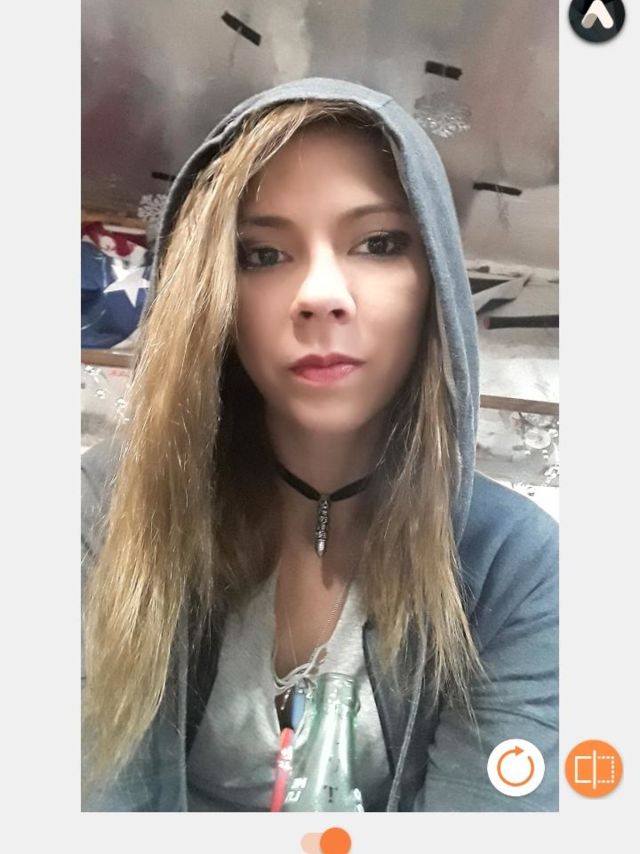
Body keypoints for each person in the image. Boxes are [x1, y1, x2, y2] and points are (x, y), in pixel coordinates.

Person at [81, 77, 559, 812]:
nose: (321, 295)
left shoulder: (514, 566)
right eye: (262, 254)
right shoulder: (104, 510)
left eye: (379, 243)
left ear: (434, 282)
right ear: (210, 294)